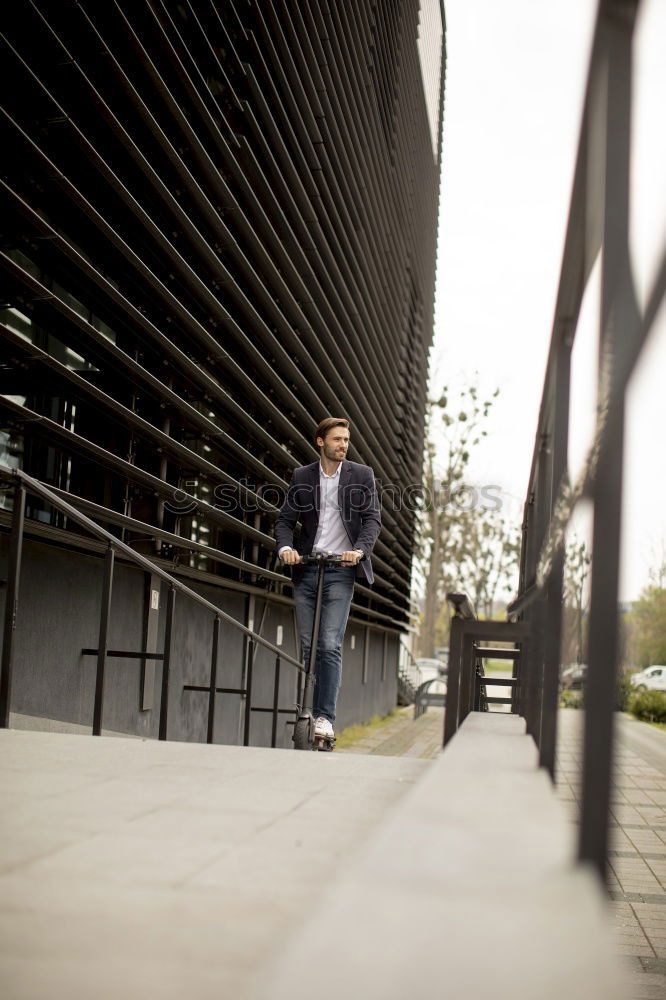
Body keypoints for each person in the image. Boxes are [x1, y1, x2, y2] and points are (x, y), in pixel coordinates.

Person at [275, 417, 381, 739]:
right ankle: (306, 709)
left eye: (346, 439)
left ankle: (324, 718)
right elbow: (284, 522)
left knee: (329, 643)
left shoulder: (362, 476)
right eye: (337, 439)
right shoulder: (302, 476)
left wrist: (359, 551)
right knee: (309, 647)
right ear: (321, 441)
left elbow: (372, 520)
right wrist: (285, 549)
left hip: (341, 570)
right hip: (307, 567)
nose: (343, 445)